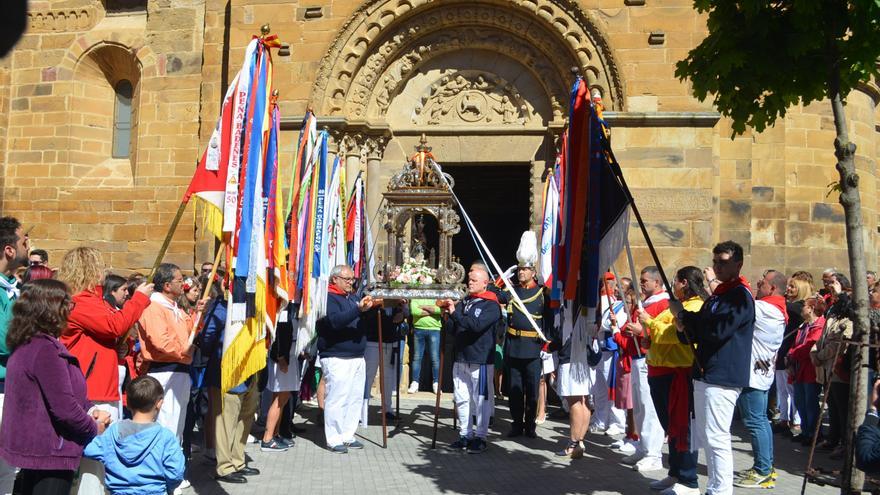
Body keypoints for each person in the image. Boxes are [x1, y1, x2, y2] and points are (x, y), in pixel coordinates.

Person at [0, 279, 111, 495]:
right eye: (67, 303)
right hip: (50, 453)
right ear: (50, 308)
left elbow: (57, 393)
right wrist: (93, 427)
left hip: (39, 451)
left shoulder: (29, 343)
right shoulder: (45, 350)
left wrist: (89, 408)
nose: (71, 309)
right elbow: (65, 409)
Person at [672, 241, 755, 495]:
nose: (717, 266)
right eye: (715, 261)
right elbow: (700, 325)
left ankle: (720, 490)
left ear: (738, 264)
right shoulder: (718, 296)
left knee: (717, 437)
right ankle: (715, 487)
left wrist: (687, 319)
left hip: (722, 376)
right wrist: (682, 319)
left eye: (724, 262)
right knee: (707, 436)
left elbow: (717, 330)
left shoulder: (739, 296)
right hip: (706, 373)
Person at [58, 247, 152, 421]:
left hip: (102, 383)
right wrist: (139, 298)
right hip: (91, 385)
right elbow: (114, 326)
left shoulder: (93, 301)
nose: (103, 271)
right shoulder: (80, 301)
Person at [638, 266, 706, 495]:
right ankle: (676, 472)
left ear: (685, 282)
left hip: (678, 374)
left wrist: (650, 322)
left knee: (683, 427)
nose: (673, 285)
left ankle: (689, 481)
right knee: (672, 428)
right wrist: (650, 338)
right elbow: (663, 333)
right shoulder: (677, 305)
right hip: (660, 372)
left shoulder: (695, 306)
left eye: (675, 281)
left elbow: (675, 335)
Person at [83, 375, 185, 495]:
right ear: (159, 403)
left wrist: (95, 425)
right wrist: (169, 488)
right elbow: (176, 473)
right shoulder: (165, 437)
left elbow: (88, 450)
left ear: (128, 404)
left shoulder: (112, 432)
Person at [439, 264, 502, 454]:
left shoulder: (491, 305)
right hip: (461, 357)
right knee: (461, 398)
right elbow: (455, 328)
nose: (470, 283)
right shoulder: (465, 302)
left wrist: (454, 312)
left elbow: (474, 326)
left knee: (480, 400)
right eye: (469, 280)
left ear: (485, 283)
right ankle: (464, 434)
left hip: (480, 359)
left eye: (474, 280)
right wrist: (447, 317)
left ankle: (481, 437)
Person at [733, 270, 787, 489]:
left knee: (755, 422)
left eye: (762, 282)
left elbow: (739, 301)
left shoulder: (766, 309)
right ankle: (765, 466)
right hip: (761, 374)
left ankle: (762, 471)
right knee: (761, 421)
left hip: (754, 377)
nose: (758, 282)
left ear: (772, 288)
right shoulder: (775, 308)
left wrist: (721, 281)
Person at [200, 290, 261, 483]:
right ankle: (224, 467)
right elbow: (208, 336)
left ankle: (237, 460)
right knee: (226, 421)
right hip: (227, 370)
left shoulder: (257, 300)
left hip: (250, 369)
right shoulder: (222, 305)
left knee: (245, 417)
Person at [316, 265, 373, 453]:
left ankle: (348, 434)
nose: (351, 283)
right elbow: (335, 322)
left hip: (356, 357)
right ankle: (333, 438)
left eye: (352, 280)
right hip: (337, 356)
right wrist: (358, 309)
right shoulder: (328, 298)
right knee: (337, 398)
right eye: (347, 279)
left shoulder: (351, 297)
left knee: (354, 398)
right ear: (335, 279)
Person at [503, 231, 552, 439]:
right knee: (514, 389)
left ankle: (530, 424)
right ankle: (516, 423)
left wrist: (548, 343)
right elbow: (492, 292)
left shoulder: (542, 293)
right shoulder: (511, 291)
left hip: (532, 347)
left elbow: (548, 321)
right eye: (520, 269)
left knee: (532, 389)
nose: (521, 272)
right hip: (514, 345)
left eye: (524, 269)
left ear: (533, 271)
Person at [619, 266, 668, 471]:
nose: (641, 283)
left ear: (657, 283)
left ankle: (654, 454)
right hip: (637, 357)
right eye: (641, 280)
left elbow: (662, 331)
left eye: (645, 280)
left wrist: (641, 331)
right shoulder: (644, 303)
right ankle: (642, 446)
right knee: (639, 406)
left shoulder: (663, 303)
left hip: (650, 358)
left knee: (650, 408)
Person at [810, 272, 853, 459]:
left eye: (834, 286)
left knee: (842, 408)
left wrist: (819, 355)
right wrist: (815, 353)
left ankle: (845, 443)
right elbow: (824, 336)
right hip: (826, 366)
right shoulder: (833, 311)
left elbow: (840, 341)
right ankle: (833, 438)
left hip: (838, 367)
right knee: (832, 406)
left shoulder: (849, 313)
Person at [0, 217, 29, 493]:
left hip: (11, 386)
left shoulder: (11, 288)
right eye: (24, 241)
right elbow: (6, 343)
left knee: (7, 470)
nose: (27, 247)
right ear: (9, 249)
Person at [773, 272, 812, 437]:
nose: (788, 289)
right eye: (788, 286)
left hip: (791, 351)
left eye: (792, 286)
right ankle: (783, 419)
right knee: (782, 389)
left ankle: (796, 422)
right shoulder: (791, 305)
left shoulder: (797, 307)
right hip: (782, 350)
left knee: (791, 390)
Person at [590, 273, 627, 436]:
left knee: (612, 388)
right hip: (601, 350)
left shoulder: (621, 305)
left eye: (620, 287)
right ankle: (600, 418)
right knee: (600, 388)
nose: (617, 289)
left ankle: (617, 422)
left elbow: (609, 325)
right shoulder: (606, 302)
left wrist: (604, 323)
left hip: (612, 351)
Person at [262, 301, 301, 452]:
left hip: (289, 355)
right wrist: (280, 356)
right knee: (279, 398)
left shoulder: (289, 308)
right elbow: (278, 334)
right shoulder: (282, 307)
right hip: (283, 357)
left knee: (282, 398)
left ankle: (275, 433)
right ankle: (267, 438)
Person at [787, 295, 826, 444]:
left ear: (810, 309)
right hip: (799, 369)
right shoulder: (804, 325)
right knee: (800, 401)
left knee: (810, 402)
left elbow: (808, 346)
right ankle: (805, 430)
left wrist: (791, 354)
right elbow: (795, 344)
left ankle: (814, 434)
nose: (801, 308)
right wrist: (790, 355)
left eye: (804, 305)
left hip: (810, 369)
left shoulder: (819, 326)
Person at [361, 300, 407, 425]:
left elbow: (404, 312)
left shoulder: (395, 295)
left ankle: (387, 408)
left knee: (388, 376)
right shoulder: (372, 293)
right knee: (368, 376)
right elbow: (366, 314)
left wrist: (402, 315)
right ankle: (362, 410)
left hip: (390, 340)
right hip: (373, 340)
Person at [408, 298, 442, 394]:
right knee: (417, 357)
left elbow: (440, 310)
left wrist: (423, 307)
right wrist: (431, 310)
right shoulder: (416, 294)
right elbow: (414, 311)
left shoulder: (437, 294)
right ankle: (415, 382)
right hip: (418, 329)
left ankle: (436, 383)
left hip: (434, 329)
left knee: (435, 358)